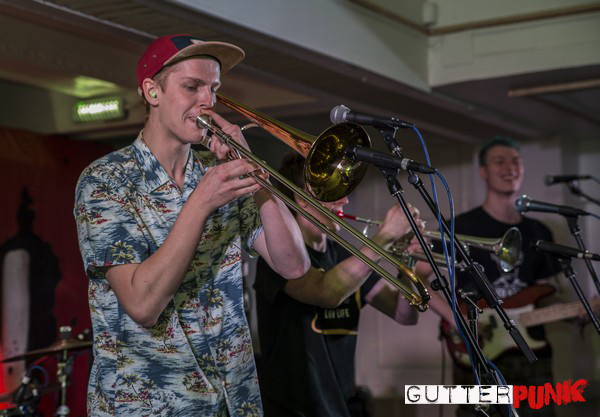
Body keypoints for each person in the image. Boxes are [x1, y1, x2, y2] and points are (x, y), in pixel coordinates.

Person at [74, 34, 310, 417]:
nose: (208, 101)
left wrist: (256, 173)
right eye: (192, 87)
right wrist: (201, 202)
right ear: (152, 91)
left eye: (213, 89)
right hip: (149, 405)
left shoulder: (220, 174)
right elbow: (142, 304)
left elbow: (293, 265)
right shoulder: (107, 180)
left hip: (233, 400)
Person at [254, 152, 422, 417]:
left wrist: (409, 260)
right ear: (302, 198)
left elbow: (404, 314)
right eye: (333, 191)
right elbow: (327, 292)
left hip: (338, 409)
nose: (345, 200)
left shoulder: (345, 257)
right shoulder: (277, 259)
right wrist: (387, 236)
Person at [425, 137, 560, 417]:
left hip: (531, 351)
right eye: (500, 161)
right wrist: (454, 318)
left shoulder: (540, 231)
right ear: (483, 172)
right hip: (480, 350)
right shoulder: (459, 227)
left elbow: (547, 292)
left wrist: (580, 311)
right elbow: (417, 276)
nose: (510, 168)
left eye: (516, 161)